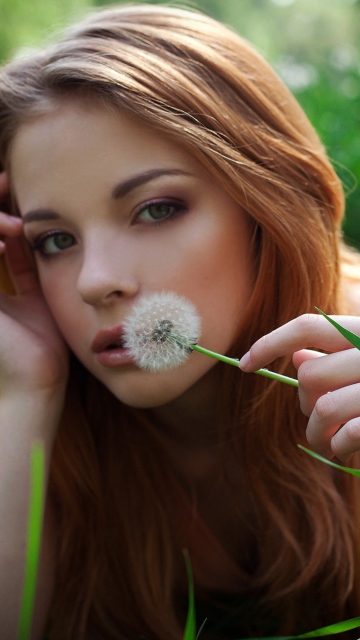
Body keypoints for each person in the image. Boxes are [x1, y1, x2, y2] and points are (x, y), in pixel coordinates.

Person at [0, 4, 359, 639]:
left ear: (266, 202)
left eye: (157, 208)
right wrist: (27, 391)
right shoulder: (27, 423)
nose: (94, 281)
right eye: (54, 241)